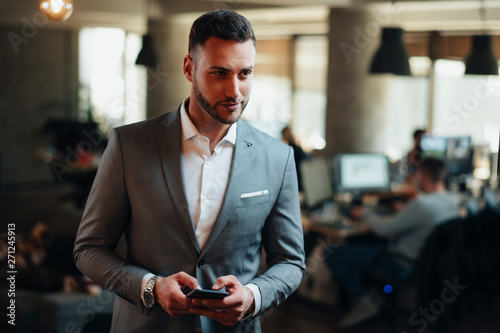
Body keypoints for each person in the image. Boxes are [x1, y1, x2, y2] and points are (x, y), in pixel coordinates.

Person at [73, 10, 305, 333]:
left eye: (245, 73)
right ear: (189, 68)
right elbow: (89, 249)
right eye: (220, 73)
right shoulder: (129, 145)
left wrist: (253, 296)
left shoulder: (278, 157)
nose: (235, 91)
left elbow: (291, 262)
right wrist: (150, 287)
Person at [324, 158, 458, 328]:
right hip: (423, 265)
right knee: (363, 243)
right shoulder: (451, 202)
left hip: (398, 263)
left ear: (423, 176)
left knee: (332, 253)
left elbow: (383, 229)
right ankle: (381, 294)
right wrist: (405, 213)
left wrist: (363, 213)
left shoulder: (420, 205)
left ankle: (365, 300)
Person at [281, 126, 309, 192]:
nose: (283, 137)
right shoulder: (294, 147)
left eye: (284, 134)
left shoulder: (292, 149)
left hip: (298, 177)